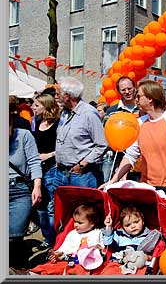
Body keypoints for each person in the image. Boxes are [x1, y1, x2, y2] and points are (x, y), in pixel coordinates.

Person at [104, 80, 166, 274]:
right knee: (153, 233)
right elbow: (130, 156)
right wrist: (113, 181)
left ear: (151, 99)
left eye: (139, 96)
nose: (135, 99)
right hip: (149, 188)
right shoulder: (138, 124)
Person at [55, 76, 107, 189]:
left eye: (58, 94)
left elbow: (102, 145)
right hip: (60, 174)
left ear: (67, 96)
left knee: (83, 206)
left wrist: (82, 164)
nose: (56, 97)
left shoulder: (89, 113)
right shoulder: (65, 113)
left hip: (81, 176)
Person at [9, 98, 43, 268]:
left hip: (20, 189)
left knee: (14, 233)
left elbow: (34, 162)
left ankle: (17, 268)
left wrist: (37, 187)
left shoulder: (24, 136)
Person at [30, 204, 104, 275]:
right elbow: (65, 247)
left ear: (92, 224)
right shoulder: (72, 233)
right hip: (69, 259)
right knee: (52, 267)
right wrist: (58, 254)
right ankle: (33, 273)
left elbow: (102, 247)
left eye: (80, 223)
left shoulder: (97, 233)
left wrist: (98, 247)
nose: (76, 225)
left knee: (80, 271)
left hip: (86, 263)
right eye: (75, 221)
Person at [31, 93, 61, 248]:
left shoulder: (57, 124)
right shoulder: (36, 122)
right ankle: (46, 237)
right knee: (40, 206)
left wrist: (48, 155)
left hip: (52, 168)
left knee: (51, 206)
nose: (33, 108)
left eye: (36, 105)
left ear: (46, 106)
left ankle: (53, 238)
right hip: (38, 169)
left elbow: (62, 147)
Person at [103, 76, 141, 183]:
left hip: (138, 160)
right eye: (123, 90)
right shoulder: (112, 111)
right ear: (119, 91)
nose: (127, 92)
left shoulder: (143, 108)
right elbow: (107, 133)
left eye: (129, 88)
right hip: (116, 158)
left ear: (135, 88)